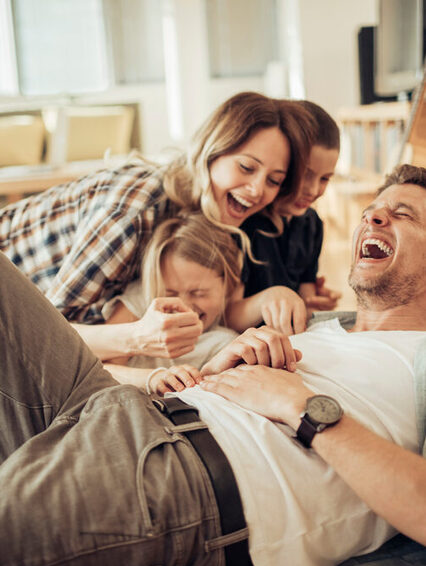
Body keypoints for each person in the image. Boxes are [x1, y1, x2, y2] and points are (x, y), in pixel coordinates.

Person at [1, 163, 425, 566]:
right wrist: (219, 374)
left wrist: (302, 406)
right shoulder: (320, 329)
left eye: (402, 214)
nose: (373, 219)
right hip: (122, 406)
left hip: (181, 473)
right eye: (370, 213)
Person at [0, 91, 313, 356]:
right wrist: (137, 337)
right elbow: (42, 341)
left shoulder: (225, 212)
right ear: (210, 152)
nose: (258, 190)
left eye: (274, 180)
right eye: (246, 167)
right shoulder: (135, 211)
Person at [228, 100, 342, 333]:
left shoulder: (312, 225)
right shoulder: (244, 223)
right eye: (305, 174)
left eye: (324, 178)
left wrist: (311, 305)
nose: (312, 190)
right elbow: (226, 317)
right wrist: (271, 299)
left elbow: (305, 296)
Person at [101, 213, 243, 395]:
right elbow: (102, 369)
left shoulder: (223, 343)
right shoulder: (142, 301)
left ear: (228, 287)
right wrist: (152, 378)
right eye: (170, 293)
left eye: (198, 293)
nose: (184, 307)